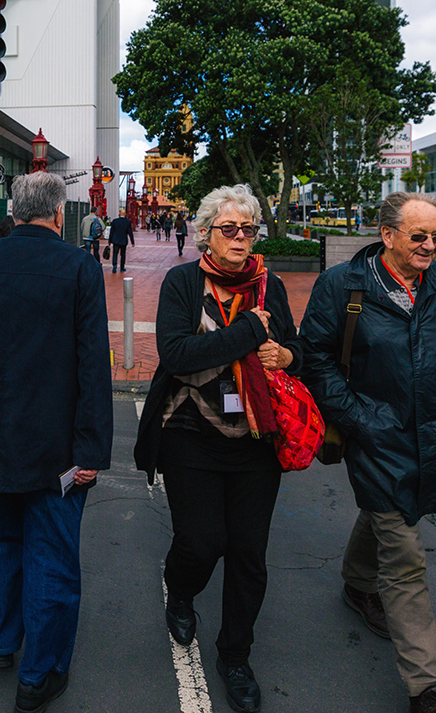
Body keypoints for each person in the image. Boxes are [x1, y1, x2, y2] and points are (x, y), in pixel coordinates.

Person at [299, 193, 436, 713]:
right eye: (420, 236)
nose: (430, 245)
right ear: (388, 234)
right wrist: (360, 419)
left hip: (433, 434)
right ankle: (426, 687)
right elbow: (316, 357)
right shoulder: (343, 286)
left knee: (389, 509)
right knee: (404, 558)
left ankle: (357, 583)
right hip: (375, 435)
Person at [134, 184, 302, 713]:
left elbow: (296, 349)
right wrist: (250, 330)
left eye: (247, 229)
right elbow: (178, 355)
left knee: (249, 554)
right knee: (202, 541)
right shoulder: (183, 283)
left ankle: (235, 654)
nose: (240, 238)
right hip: (190, 435)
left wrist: (284, 356)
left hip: (256, 437)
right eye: (229, 229)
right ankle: (180, 591)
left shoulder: (268, 285)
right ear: (206, 233)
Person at [0, 171, 114, 713]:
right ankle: (39, 674)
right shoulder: (77, 267)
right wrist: (92, 450)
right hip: (55, 445)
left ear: (16, 210)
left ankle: (1, 640)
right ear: (56, 214)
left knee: (0, 538)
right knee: (51, 553)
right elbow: (94, 364)